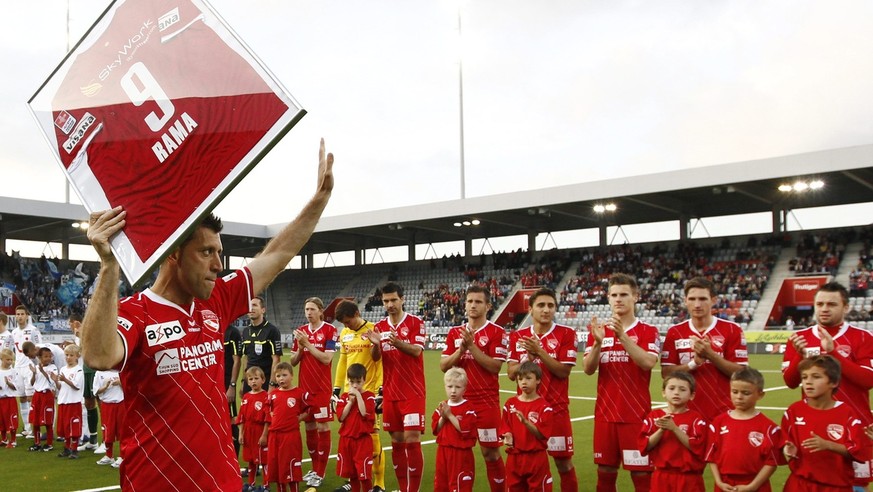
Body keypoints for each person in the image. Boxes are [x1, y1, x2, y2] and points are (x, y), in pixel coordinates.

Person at [80, 139, 333, 490]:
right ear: (173, 254)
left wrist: (317, 202)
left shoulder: (217, 299)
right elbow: (97, 355)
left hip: (221, 479)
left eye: (219, 252)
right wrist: (109, 265)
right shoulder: (136, 312)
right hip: (155, 482)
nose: (218, 265)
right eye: (206, 252)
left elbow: (278, 254)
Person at [782, 281, 873, 489]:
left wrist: (833, 353)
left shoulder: (863, 337)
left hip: (855, 426)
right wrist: (799, 355)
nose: (824, 309)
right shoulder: (800, 338)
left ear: (846, 307)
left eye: (831, 304)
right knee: (811, 480)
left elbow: (868, 380)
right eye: (820, 304)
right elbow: (790, 382)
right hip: (813, 427)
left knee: (856, 484)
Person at [583, 273, 661, 492]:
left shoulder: (648, 331)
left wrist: (622, 337)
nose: (618, 299)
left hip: (636, 415)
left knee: (641, 474)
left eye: (624, 294)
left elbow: (648, 362)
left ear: (635, 297)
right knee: (605, 473)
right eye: (614, 295)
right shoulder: (599, 331)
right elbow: (588, 369)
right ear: (608, 298)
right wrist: (598, 344)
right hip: (605, 415)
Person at [507, 287, 579, 491]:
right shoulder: (518, 336)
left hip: (556, 411)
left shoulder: (566, 334)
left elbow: (563, 371)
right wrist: (527, 358)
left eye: (550, 305)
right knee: (525, 463)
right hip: (526, 413)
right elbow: (512, 373)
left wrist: (540, 352)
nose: (546, 310)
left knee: (563, 464)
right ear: (530, 309)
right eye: (540, 305)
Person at [439, 285, 508, 491]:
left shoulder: (497, 332)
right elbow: (444, 366)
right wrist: (460, 350)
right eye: (470, 301)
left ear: (487, 305)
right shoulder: (454, 333)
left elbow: (495, 366)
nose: (473, 305)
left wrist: (472, 347)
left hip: (486, 404)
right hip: (459, 403)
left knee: (491, 453)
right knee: (459, 451)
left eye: (478, 301)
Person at [364, 282, 426, 492]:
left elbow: (417, 351)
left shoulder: (416, 322)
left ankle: (413, 489)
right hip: (390, 392)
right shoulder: (379, 327)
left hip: (413, 391)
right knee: (397, 441)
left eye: (393, 300)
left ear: (402, 299)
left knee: (412, 439)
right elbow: (375, 359)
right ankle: (402, 487)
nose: (390, 304)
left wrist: (396, 342)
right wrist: (376, 345)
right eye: (386, 301)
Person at [661, 277, 748, 421]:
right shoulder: (675, 332)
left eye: (702, 299)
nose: (697, 304)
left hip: (723, 411)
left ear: (713, 300)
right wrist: (693, 363)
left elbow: (741, 372)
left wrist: (711, 355)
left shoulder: (732, 329)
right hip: (685, 411)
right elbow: (666, 373)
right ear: (685, 301)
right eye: (692, 299)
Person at [782, 355, 872, 490]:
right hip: (799, 484)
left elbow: (858, 452)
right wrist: (788, 449)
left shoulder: (847, 413)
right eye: (805, 377)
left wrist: (828, 445)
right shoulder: (793, 411)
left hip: (835, 486)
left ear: (834, 382)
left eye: (816, 377)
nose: (808, 382)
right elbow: (784, 441)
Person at [334, 300, 386, 492]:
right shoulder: (345, 334)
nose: (346, 325)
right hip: (349, 393)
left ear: (357, 313)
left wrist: (380, 388)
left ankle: (379, 482)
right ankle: (354, 477)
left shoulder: (373, 329)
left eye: (348, 321)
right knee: (350, 438)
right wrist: (336, 389)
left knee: (372, 436)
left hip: (369, 390)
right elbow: (342, 361)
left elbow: (379, 360)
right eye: (344, 323)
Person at [705, 367, 782, 492]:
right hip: (724, 484)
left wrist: (753, 486)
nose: (739, 397)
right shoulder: (718, 422)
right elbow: (711, 456)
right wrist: (719, 482)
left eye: (746, 393)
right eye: (735, 392)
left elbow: (771, 463)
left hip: (755, 486)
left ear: (760, 395)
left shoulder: (768, 427)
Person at [290, 296, 338, 488]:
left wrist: (308, 344)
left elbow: (327, 359)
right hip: (304, 389)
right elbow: (293, 362)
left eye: (312, 309)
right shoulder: (301, 331)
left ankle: (321, 471)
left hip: (322, 389)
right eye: (306, 309)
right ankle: (315, 468)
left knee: (323, 428)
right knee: (309, 427)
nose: (308, 313)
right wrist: (301, 348)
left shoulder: (330, 330)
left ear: (321, 311)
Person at [638, 371, 709, 492]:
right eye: (671, 388)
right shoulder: (654, 416)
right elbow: (644, 447)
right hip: (661, 477)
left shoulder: (696, 419)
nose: (676, 392)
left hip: (689, 478)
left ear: (692, 395)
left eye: (682, 389)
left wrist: (674, 429)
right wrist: (662, 429)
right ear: (664, 392)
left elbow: (699, 448)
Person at [500, 361, 554, 491]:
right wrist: (507, 436)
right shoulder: (510, 404)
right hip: (514, 458)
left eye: (528, 378)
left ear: (538, 380)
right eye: (520, 379)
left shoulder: (544, 407)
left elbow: (542, 434)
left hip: (536, 458)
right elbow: (504, 426)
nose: (524, 382)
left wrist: (525, 422)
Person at [265, 362, 310, 492]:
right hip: (274, 436)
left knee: (290, 467)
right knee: (277, 468)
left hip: (290, 436)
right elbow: (268, 410)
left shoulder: (299, 393)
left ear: (292, 376)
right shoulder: (273, 395)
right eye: (278, 376)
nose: (281, 379)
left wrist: (299, 418)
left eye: (284, 375)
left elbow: (309, 410)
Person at [432, 367, 478, 492]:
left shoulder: (468, 407)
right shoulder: (443, 406)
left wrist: (450, 415)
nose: (453, 391)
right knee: (441, 484)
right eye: (450, 386)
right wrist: (443, 417)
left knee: (458, 484)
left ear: (464, 388)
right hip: (443, 450)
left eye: (457, 387)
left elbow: (465, 430)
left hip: (460, 453)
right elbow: (436, 429)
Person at [336, 363, 377, 492]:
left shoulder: (369, 396)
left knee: (364, 475)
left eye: (358, 382)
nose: (354, 385)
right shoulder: (344, 397)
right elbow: (341, 417)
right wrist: (350, 402)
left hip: (362, 441)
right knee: (352, 474)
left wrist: (358, 396)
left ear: (364, 380)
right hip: (346, 440)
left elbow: (365, 412)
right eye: (352, 382)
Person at [69, 313, 99, 451]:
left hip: (96, 370)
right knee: (88, 403)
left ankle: (107, 441)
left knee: (103, 404)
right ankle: (93, 440)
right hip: (85, 370)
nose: (73, 326)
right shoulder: (77, 337)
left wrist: (82, 335)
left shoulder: (94, 330)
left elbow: (94, 347)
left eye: (74, 323)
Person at [241, 296, 283, 392]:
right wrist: (244, 381)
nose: (251, 308)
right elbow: (246, 358)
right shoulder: (245, 331)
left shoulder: (272, 330)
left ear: (263, 310)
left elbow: (276, 359)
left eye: (255, 305)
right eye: (249, 305)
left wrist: (272, 383)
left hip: (265, 381)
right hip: (250, 382)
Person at [238, 366, 269, 492]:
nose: (253, 381)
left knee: (263, 459)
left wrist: (264, 435)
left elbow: (268, 418)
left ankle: (266, 486)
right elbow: (241, 417)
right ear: (247, 381)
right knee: (251, 459)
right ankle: (251, 484)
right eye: (250, 379)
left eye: (256, 378)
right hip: (248, 431)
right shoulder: (245, 397)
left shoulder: (266, 396)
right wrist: (241, 433)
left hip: (259, 430)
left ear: (263, 380)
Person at [12, 305, 40, 437]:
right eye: (17, 314)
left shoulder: (33, 330)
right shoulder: (14, 332)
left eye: (22, 314)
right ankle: (27, 428)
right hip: (18, 368)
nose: (19, 316)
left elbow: (39, 347)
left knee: (30, 397)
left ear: (27, 315)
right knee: (21, 397)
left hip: (29, 367)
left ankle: (34, 427)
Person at [55, 344, 84, 459]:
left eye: (71, 355)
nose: (68, 357)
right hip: (63, 401)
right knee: (65, 427)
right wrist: (56, 381)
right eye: (66, 355)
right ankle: (67, 448)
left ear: (77, 356)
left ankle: (75, 449)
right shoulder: (63, 369)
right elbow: (60, 387)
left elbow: (76, 386)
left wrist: (65, 379)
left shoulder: (79, 370)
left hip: (74, 402)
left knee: (74, 426)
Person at [93, 368, 125, 468]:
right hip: (107, 404)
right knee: (107, 431)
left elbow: (129, 387)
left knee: (122, 431)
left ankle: (122, 457)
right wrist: (105, 386)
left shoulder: (121, 371)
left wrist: (120, 382)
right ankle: (109, 456)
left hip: (121, 404)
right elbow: (96, 391)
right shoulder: (99, 373)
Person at [28, 346, 57, 452]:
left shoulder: (53, 368)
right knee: (35, 421)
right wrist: (35, 373)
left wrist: (43, 371)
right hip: (37, 395)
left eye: (50, 356)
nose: (48, 358)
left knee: (48, 421)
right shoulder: (36, 367)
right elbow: (32, 383)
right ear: (39, 357)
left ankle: (49, 444)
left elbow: (52, 381)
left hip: (47, 395)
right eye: (45, 356)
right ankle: (37, 443)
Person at [224, 319, 242, 458]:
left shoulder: (232, 333)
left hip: (226, 383)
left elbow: (237, 360)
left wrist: (232, 385)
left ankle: (234, 458)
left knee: (231, 419)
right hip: (211, 384)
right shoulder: (212, 330)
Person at [0, 348, 18, 447]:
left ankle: (13, 440)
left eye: (11, 360)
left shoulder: (13, 371)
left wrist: (8, 383)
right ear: (2, 359)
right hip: (1, 399)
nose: (10, 362)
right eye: (8, 360)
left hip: (10, 399)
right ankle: (4, 439)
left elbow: (15, 387)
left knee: (11, 419)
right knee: (1, 420)